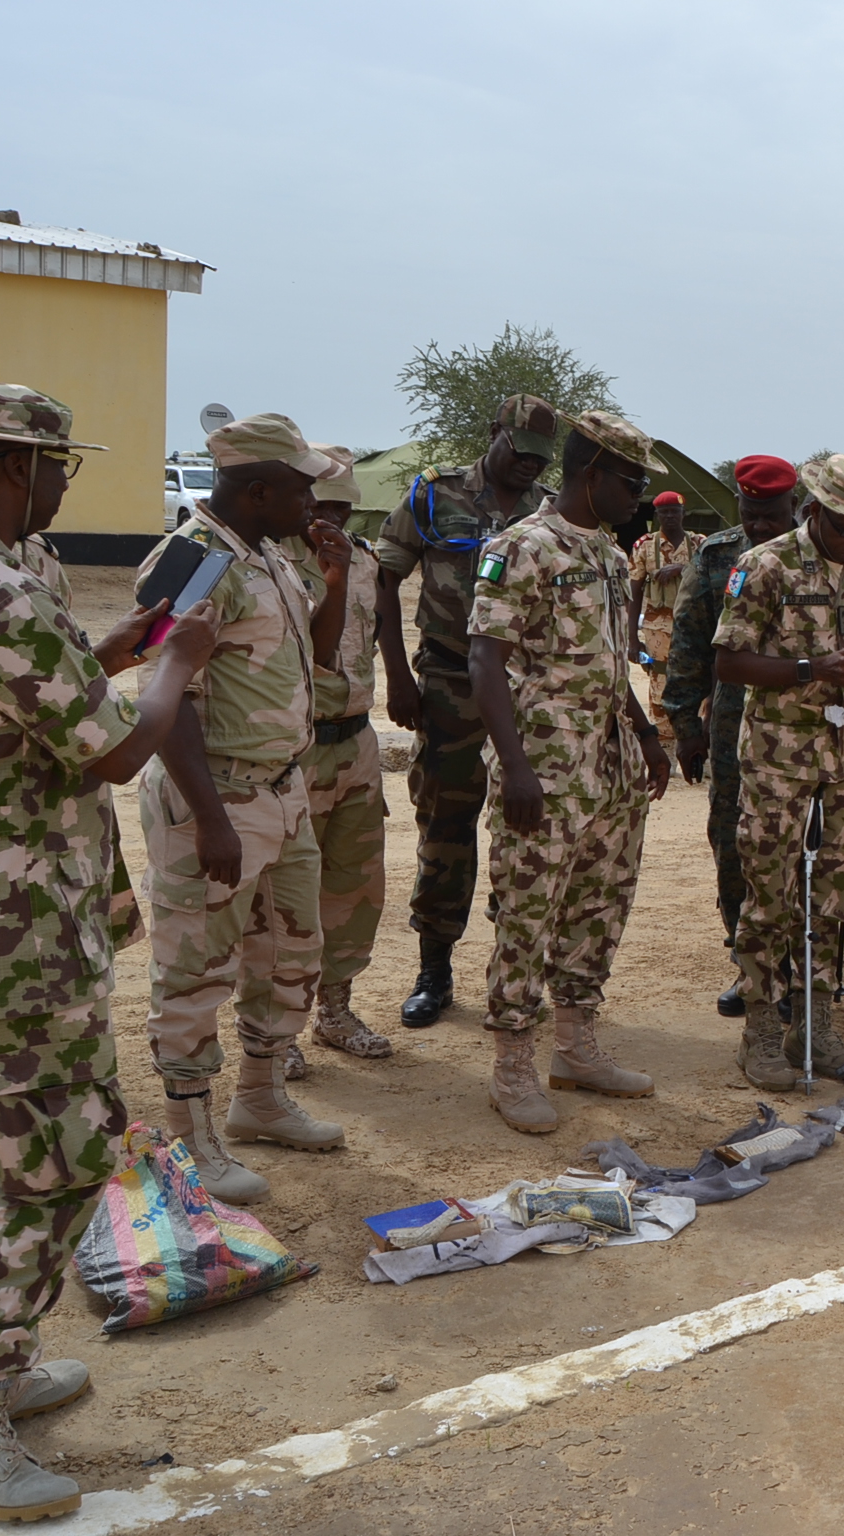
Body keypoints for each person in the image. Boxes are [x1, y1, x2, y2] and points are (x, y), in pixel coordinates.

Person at [0, 382, 218, 1521]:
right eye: (60, 469)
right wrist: (178, 661)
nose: (62, 487)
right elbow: (112, 754)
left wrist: (107, 649)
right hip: (9, 935)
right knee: (63, 1157)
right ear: (11, 466)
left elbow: (9, 703)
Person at [136, 414, 353, 1203]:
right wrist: (214, 818)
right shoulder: (191, 564)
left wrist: (335, 584)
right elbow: (167, 703)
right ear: (257, 489)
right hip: (215, 797)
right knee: (196, 970)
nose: (314, 501)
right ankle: (190, 1139)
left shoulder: (268, 554)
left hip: (282, 790)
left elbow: (321, 659)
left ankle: (259, 1100)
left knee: (289, 953)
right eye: (302, 487)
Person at [468, 411, 672, 1134]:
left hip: (610, 761)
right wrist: (515, 767)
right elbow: (484, 660)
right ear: (592, 475)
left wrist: (646, 735)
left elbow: (612, 662)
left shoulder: (614, 558)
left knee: (599, 904)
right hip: (547, 767)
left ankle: (576, 1046)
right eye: (632, 480)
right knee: (528, 911)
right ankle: (513, 1064)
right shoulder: (521, 548)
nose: (640, 495)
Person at [375, 395, 560, 1028]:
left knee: (530, 833)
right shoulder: (434, 494)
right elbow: (386, 578)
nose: (528, 468)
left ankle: (519, 970)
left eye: (539, 459)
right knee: (446, 828)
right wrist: (398, 676)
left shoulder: (550, 512)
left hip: (525, 693)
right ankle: (435, 968)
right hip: (450, 682)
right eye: (519, 453)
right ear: (494, 434)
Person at [713, 454, 844, 1087]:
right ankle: (760, 1027)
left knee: (832, 897)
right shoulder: (765, 566)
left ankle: (812, 1025)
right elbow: (729, 663)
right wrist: (812, 670)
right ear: (814, 512)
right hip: (778, 761)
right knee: (769, 896)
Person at [661, 456, 801, 1021]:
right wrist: (685, 727)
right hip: (732, 726)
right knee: (735, 842)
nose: (760, 525)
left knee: (806, 847)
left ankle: (809, 969)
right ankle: (753, 969)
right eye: (750, 512)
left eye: (771, 515)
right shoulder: (718, 555)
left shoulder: (822, 557)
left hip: (806, 731)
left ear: (795, 506)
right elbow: (688, 641)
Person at [283, 447, 392, 1073]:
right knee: (285, 893)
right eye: (321, 506)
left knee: (354, 884)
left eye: (343, 509)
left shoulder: (365, 562)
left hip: (356, 741)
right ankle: (280, 1024)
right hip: (297, 746)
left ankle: (335, 1010)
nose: (331, 520)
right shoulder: (275, 567)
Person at [627, 490, 698, 743]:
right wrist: (632, 640)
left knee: (695, 681)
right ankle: (664, 744)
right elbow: (633, 593)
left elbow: (717, 575)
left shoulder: (700, 544)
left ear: (683, 513)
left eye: (674, 511)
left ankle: (693, 742)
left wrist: (683, 567)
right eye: (664, 512)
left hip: (695, 627)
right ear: (656, 515)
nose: (670, 516)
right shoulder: (645, 546)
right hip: (658, 629)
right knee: (660, 684)